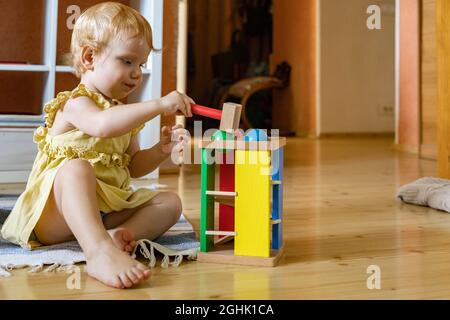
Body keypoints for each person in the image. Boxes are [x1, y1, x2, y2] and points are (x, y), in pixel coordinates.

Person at [0, 2, 194, 289]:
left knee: (170, 202)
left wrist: (160, 150)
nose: (137, 73)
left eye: (141, 65)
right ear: (89, 56)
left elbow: (134, 165)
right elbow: (102, 125)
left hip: (105, 213)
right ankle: (97, 251)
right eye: (127, 61)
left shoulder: (120, 114)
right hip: (56, 218)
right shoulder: (75, 103)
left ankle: (120, 237)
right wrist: (158, 104)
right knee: (77, 169)